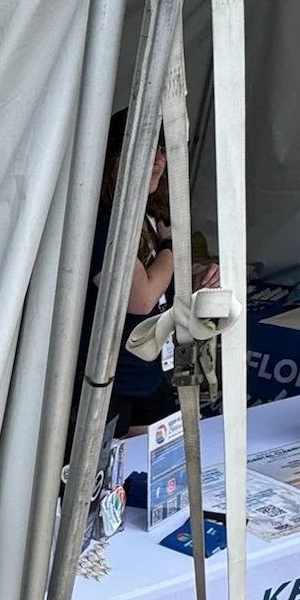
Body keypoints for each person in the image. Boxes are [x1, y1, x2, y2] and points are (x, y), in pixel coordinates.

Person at [79, 113, 220, 436]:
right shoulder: (104, 221)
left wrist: (200, 279)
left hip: (146, 375)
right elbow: (141, 298)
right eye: (147, 149)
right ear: (118, 156)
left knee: (175, 465)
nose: (158, 160)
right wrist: (172, 245)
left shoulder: (150, 213)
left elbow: (161, 289)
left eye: (162, 150)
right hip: (109, 384)